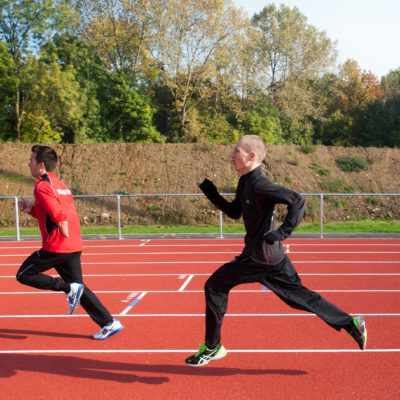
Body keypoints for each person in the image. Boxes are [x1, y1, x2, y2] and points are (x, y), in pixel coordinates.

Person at [185, 135, 367, 366]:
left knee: (214, 285)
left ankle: (212, 347)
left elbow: (297, 201)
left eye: (236, 151)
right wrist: (211, 193)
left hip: (259, 258)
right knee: (298, 297)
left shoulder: (259, 183)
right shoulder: (245, 181)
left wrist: (283, 232)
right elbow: (234, 212)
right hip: (271, 257)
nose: (231, 155)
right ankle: (350, 323)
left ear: (251, 156)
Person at [17, 145, 123, 340]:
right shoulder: (60, 185)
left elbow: (58, 214)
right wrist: (30, 210)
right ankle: (109, 323)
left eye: (31, 161)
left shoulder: (42, 185)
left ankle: (67, 288)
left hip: (57, 246)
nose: (28, 164)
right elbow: (49, 212)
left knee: (24, 274)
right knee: (79, 287)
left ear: (41, 165)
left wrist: (63, 228)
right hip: (73, 245)